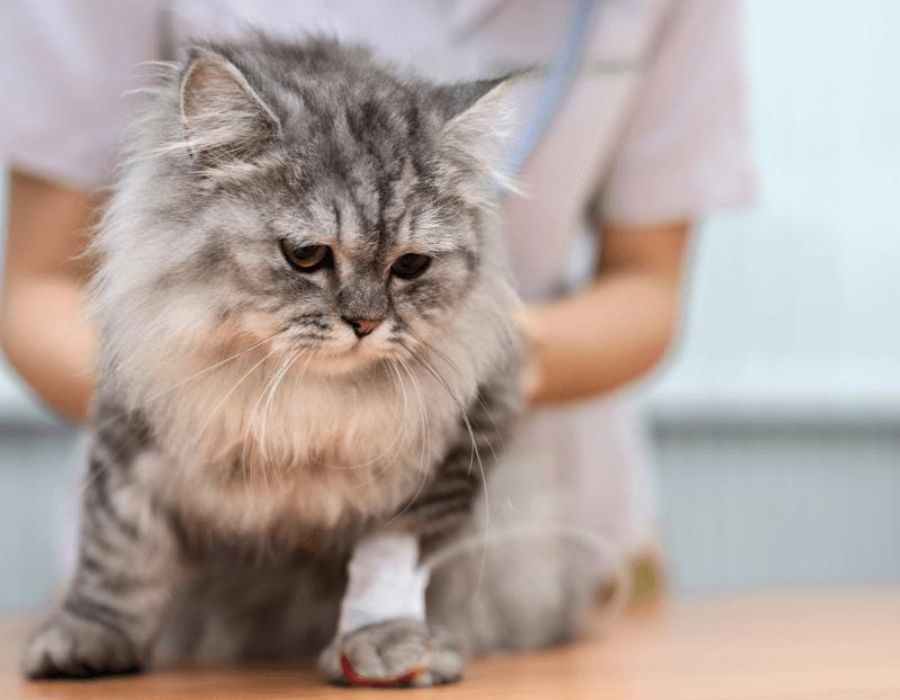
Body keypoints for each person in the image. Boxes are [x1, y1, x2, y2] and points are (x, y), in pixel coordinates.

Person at [0, 0, 755, 588]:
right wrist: (205, 428)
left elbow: (647, 287)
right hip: (186, 534)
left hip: (511, 523)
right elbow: (35, 287)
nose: (362, 316)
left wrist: (485, 368)